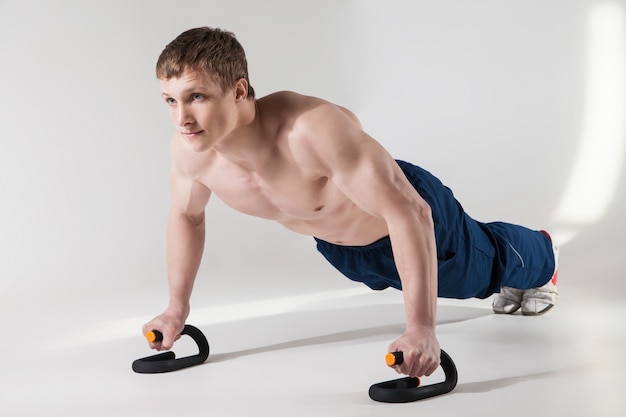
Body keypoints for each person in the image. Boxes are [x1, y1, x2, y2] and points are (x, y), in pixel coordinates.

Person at [142, 27, 559, 378]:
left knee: (480, 274)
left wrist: (421, 328)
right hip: (347, 251)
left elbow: (409, 211)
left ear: (238, 90)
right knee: (464, 279)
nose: (182, 119)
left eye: (196, 97)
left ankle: (543, 256)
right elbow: (186, 216)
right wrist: (176, 309)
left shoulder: (308, 130)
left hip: (407, 211)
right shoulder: (190, 153)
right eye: (170, 100)